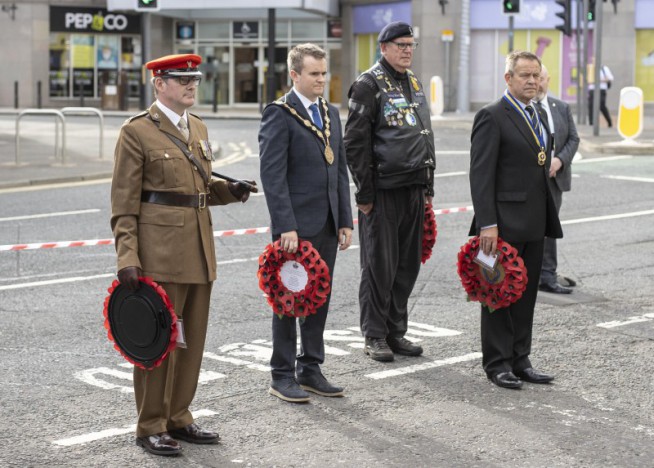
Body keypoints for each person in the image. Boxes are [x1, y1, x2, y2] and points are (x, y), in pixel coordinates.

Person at [110, 53, 254, 456]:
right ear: (159, 84)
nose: (191, 85)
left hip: (199, 251)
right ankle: (150, 424)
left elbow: (199, 191)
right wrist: (128, 257)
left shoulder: (198, 127)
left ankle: (180, 416)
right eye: (181, 79)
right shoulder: (137, 132)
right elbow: (124, 204)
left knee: (191, 342)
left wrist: (231, 191)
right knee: (158, 343)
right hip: (159, 253)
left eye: (194, 79)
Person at [258, 43, 353, 403]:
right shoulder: (279, 114)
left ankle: (310, 367)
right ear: (294, 75)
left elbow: (339, 167)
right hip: (295, 228)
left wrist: (345, 218)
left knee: (318, 297)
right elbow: (273, 175)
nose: (321, 80)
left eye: (324, 73)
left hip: (328, 222)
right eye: (314, 74)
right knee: (288, 299)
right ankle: (282, 373)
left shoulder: (330, 112)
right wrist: (285, 226)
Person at [469, 50, 563, 389]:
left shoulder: (537, 113)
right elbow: (480, 175)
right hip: (501, 225)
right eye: (525, 75)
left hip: (535, 222)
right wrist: (487, 224)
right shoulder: (492, 115)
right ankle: (497, 364)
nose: (532, 81)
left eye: (536, 75)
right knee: (497, 294)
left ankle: (521, 360)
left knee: (526, 296)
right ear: (508, 79)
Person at [344, 22, 435, 362]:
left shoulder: (412, 81)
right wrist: (365, 195)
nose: (407, 50)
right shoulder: (368, 85)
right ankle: (375, 335)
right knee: (379, 267)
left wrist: (429, 185)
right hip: (383, 192)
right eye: (400, 45)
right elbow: (354, 143)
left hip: (413, 187)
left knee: (406, 266)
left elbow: (424, 134)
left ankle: (396, 332)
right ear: (383, 47)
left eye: (411, 44)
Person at [536, 64, 580, 294]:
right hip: (531, 181)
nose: (538, 83)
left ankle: (547, 274)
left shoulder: (561, 107)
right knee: (531, 227)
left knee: (550, 227)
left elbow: (573, 139)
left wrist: (559, 161)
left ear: (548, 79)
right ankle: (534, 273)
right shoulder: (525, 109)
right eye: (534, 77)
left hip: (555, 179)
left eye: (541, 78)